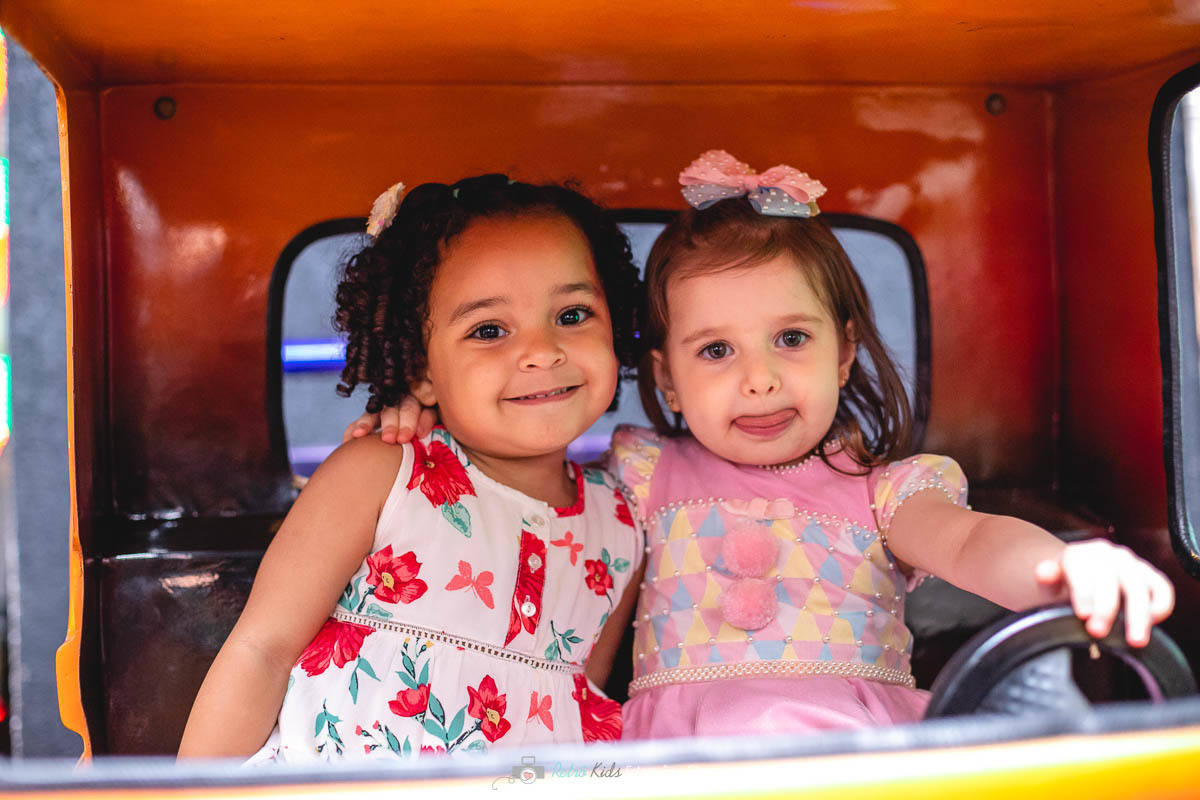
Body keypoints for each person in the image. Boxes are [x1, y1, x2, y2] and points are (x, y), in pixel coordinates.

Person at [347, 151, 1175, 739]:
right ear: (666, 380)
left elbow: (967, 541)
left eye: (791, 339)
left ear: (843, 351)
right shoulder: (643, 476)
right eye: (716, 352)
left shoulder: (886, 491)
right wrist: (420, 421)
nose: (760, 380)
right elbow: (522, 468)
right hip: (686, 752)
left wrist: (1058, 570)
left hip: (849, 746)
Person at [178, 175, 644, 762]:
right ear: (421, 372)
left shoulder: (623, 525)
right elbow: (262, 651)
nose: (543, 351)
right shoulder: (380, 474)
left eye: (573, 315)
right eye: (489, 330)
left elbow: (582, 696)